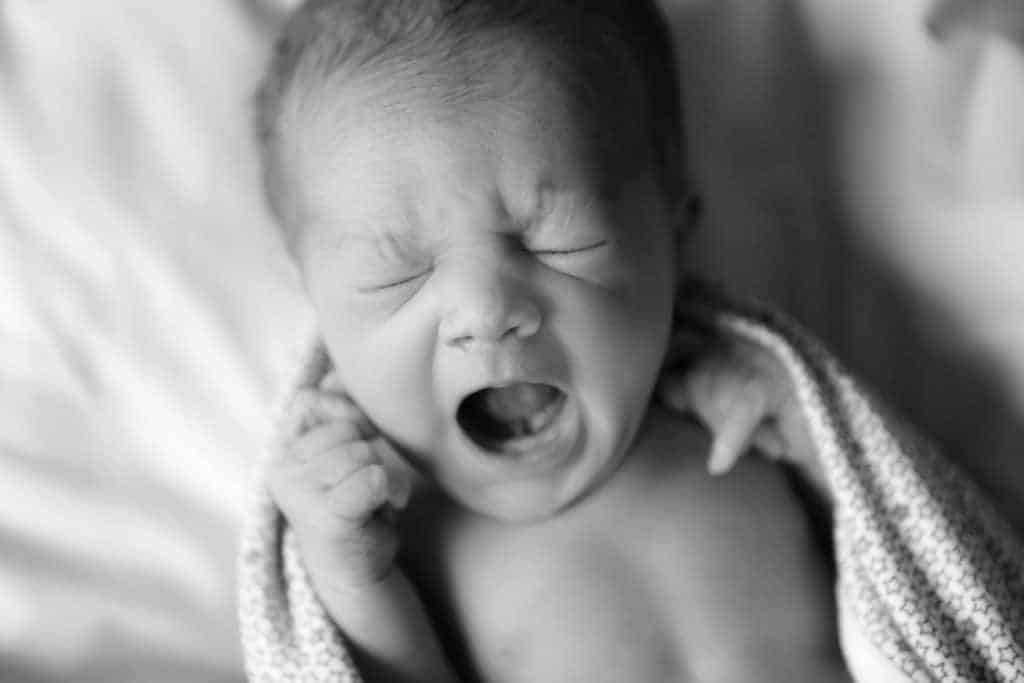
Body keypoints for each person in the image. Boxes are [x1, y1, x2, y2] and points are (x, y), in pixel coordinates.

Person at [255, 1, 852, 680]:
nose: (485, 310)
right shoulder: (406, 542)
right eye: (396, 274)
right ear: (319, 309)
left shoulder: (746, 421)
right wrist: (351, 576)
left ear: (673, 227)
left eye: (555, 236)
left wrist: (811, 431)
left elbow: (897, 551)